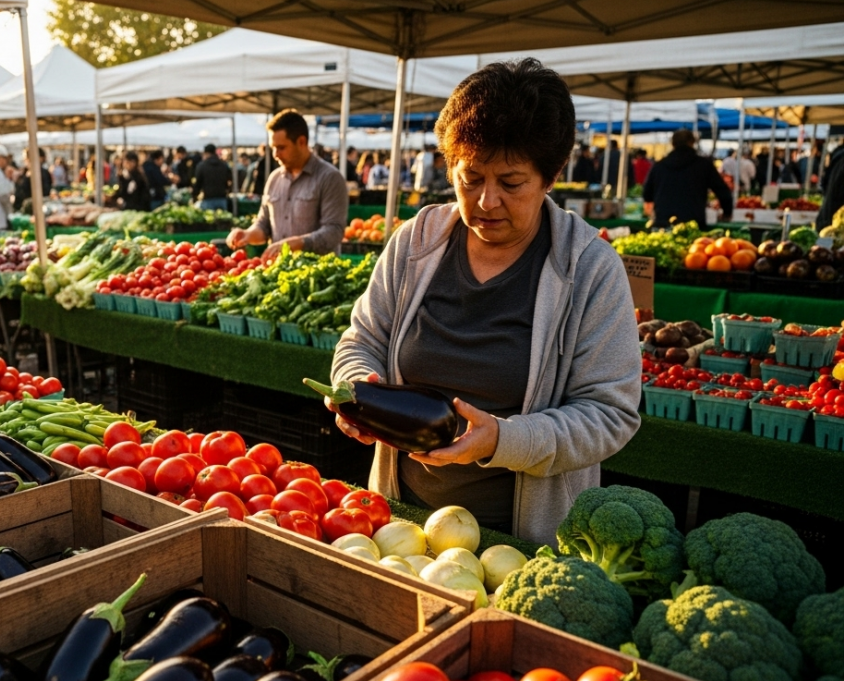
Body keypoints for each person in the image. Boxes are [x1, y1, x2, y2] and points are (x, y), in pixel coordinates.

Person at [327, 58, 641, 544]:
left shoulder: (589, 268)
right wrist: (355, 389)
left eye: (511, 183)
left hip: (520, 542)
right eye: (470, 178)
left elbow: (610, 413)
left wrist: (503, 440)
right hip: (400, 523)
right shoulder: (417, 242)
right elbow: (362, 339)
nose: (486, 200)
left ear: (551, 176)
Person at [227, 109, 347, 261]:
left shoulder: (330, 178)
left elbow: (334, 232)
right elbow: (263, 225)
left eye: (281, 148)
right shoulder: (274, 178)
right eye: (273, 148)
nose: (275, 154)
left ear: (301, 142)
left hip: (317, 271)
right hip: (279, 269)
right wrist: (248, 234)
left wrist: (297, 243)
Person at [641, 129, 732, 230]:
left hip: (663, 223)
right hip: (693, 225)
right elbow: (723, 192)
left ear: (673, 144)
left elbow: (647, 195)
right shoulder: (703, 165)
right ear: (692, 142)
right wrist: (727, 213)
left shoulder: (659, 166)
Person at [191, 143, 232, 211]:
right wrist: (227, 190)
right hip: (222, 198)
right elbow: (229, 180)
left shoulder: (202, 166)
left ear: (206, 153)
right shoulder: (224, 165)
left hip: (208, 199)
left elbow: (198, 183)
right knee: (223, 217)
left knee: (209, 216)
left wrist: (194, 196)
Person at [13, 148, 51, 213]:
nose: (25, 161)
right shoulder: (23, 172)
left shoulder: (42, 173)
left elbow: (45, 191)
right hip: (23, 208)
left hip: (34, 208)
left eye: (27, 158)